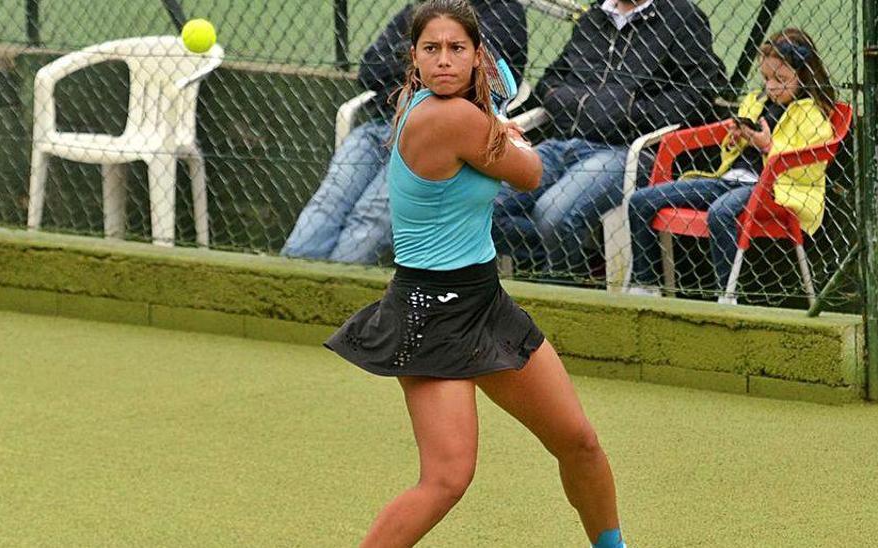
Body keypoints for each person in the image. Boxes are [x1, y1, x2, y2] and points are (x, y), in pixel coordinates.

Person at [323, 2, 626, 547]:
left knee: (579, 442)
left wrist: (495, 128)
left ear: (476, 56)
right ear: (413, 61)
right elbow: (530, 173)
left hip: (484, 301)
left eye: (456, 49)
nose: (444, 61)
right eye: (431, 50)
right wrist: (505, 133)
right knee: (446, 479)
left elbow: (494, 148)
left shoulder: (456, 112)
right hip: (430, 314)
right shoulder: (449, 117)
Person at [282, 0, 527, 265]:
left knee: (371, 214)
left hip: (434, 138)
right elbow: (370, 69)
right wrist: (423, 66)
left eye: (453, 46)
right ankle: (286, 282)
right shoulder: (421, 7)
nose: (441, 56)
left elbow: (468, 78)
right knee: (329, 199)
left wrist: (423, 58)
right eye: (428, 47)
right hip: (381, 124)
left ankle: (334, 288)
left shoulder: (505, 11)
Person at [493, 0, 725, 280]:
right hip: (563, 142)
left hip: (624, 151)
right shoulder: (594, 18)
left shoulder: (681, 17)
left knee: (553, 214)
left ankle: (564, 286)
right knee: (483, 204)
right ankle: (578, 262)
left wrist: (633, 113)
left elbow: (701, 87)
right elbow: (551, 80)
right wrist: (570, 102)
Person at [624, 27, 837, 304]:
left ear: (804, 76)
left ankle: (727, 297)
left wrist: (767, 147)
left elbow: (806, 169)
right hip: (729, 179)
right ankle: (645, 284)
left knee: (720, 213)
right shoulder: (756, 102)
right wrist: (736, 138)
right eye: (766, 78)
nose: (771, 87)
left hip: (773, 191)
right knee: (641, 201)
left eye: (781, 79)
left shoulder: (811, 114)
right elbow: (729, 148)